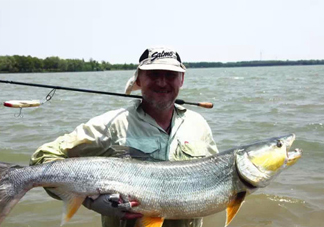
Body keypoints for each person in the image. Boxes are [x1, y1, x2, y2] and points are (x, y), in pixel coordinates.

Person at [30, 47, 219, 227]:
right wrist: (90, 200)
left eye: (170, 75)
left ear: (181, 79)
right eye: (153, 75)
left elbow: (217, 179)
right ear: (139, 78)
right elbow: (43, 157)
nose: (162, 82)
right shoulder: (112, 124)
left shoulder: (198, 124)